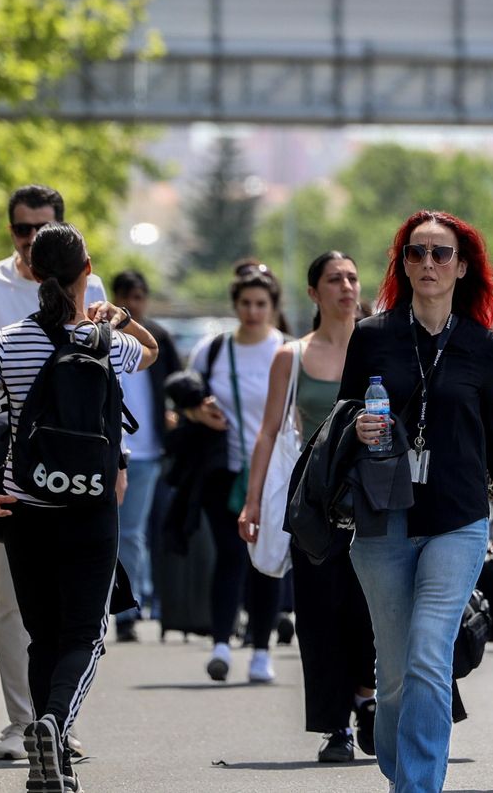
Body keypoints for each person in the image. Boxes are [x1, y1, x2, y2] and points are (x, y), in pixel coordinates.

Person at [0, 223, 159, 793]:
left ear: (34, 273)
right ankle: (55, 724)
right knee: (85, 636)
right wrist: (116, 315)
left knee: (42, 636)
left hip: (24, 505)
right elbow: (152, 352)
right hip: (90, 506)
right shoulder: (107, 342)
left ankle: (51, 762)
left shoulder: (7, 340)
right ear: (86, 268)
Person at [340, 211, 493, 793]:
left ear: (462, 266)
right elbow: (342, 418)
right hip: (382, 521)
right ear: (403, 264)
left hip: (459, 519)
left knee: (427, 657)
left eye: (440, 254)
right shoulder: (372, 336)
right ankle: (403, 768)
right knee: (393, 674)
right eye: (416, 253)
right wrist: (359, 431)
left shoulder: (482, 345)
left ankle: (417, 785)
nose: (427, 263)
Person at [0, 185, 106, 762]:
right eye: (22, 228)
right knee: (19, 606)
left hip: (53, 472)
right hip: (13, 459)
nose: (31, 235)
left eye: (41, 227)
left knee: (45, 612)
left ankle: (48, 722)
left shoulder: (22, 335)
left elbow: (108, 395)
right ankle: (30, 723)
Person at [237, 251, 378, 763]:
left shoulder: (381, 344)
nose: (346, 286)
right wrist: (252, 503)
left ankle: (367, 695)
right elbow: (269, 432)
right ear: (314, 293)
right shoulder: (291, 355)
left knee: (368, 607)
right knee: (319, 615)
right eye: (333, 279)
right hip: (316, 504)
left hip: (373, 500)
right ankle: (333, 726)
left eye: (352, 277)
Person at [183, 262, 288, 683]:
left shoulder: (287, 349)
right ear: (235, 305)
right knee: (229, 553)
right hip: (222, 469)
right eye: (245, 303)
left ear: (273, 306)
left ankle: (262, 650)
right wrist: (195, 411)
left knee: (266, 559)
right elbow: (185, 395)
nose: (252, 311)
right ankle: (222, 643)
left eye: (261, 304)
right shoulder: (212, 349)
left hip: (272, 473)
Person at [109, 269, 182, 643]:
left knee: (133, 533)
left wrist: (173, 414)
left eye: (138, 297)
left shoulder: (158, 339)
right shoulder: (101, 338)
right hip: (105, 453)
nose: (132, 305)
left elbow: (178, 384)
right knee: (107, 532)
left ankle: (126, 612)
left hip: (148, 453)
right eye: (125, 297)